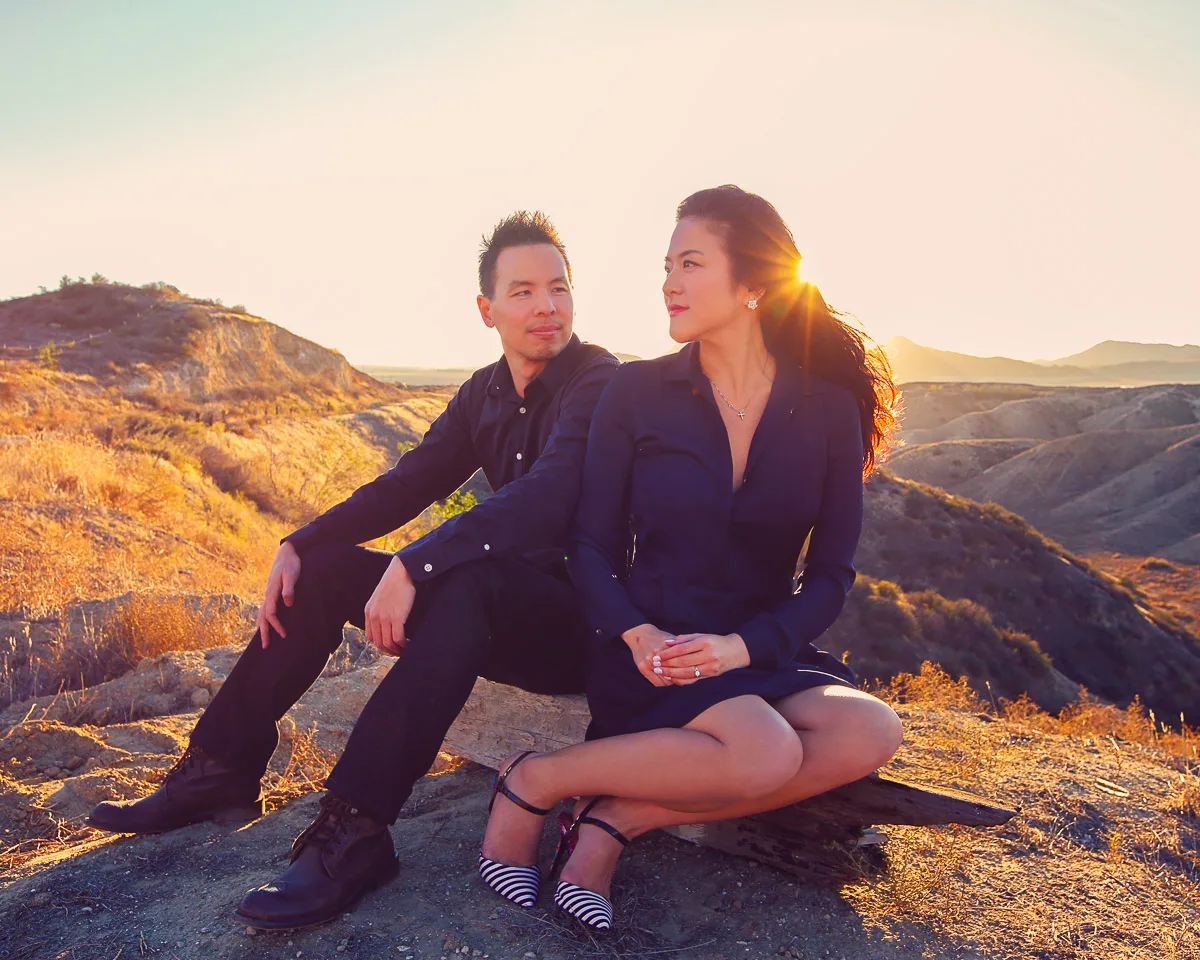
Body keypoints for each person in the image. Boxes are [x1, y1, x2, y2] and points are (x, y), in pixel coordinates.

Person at [87, 211, 619, 931]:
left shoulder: (600, 381)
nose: (547, 306)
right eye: (523, 292)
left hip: (578, 626)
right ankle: (220, 769)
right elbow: (407, 484)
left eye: (558, 287)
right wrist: (302, 540)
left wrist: (414, 562)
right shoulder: (485, 392)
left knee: (469, 579)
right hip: (488, 611)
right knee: (323, 570)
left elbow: (549, 495)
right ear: (487, 309)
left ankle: (356, 830)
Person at [477, 185, 904, 931]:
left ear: (753, 284)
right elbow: (590, 544)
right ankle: (533, 782)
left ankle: (614, 820)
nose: (669, 283)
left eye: (691, 264)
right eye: (668, 266)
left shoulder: (828, 409)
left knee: (871, 730)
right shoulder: (637, 390)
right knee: (766, 752)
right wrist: (634, 632)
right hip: (656, 649)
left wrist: (743, 647)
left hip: (756, 649)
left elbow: (831, 575)